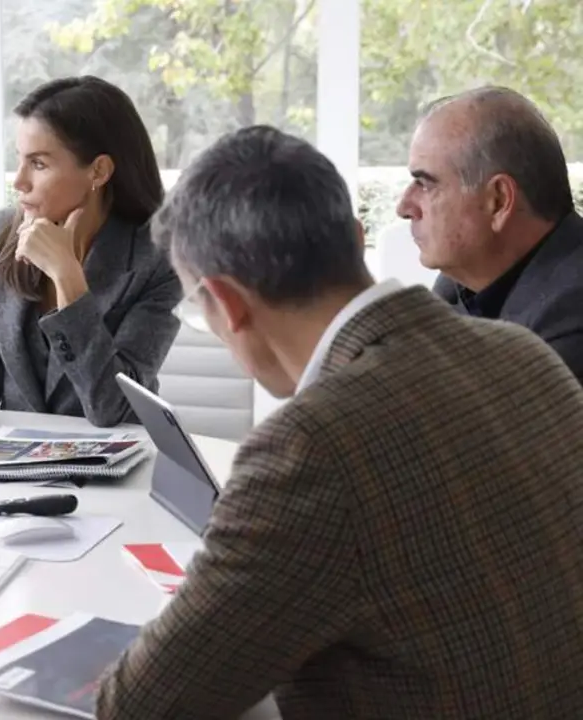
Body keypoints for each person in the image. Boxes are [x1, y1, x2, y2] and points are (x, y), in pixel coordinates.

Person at [96, 127, 583, 718]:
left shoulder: (309, 447)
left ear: (226, 303)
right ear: (354, 238)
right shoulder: (522, 351)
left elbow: (143, 707)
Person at [0, 76, 181, 427]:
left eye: (38, 164)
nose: (19, 181)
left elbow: (111, 408)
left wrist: (67, 277)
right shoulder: (0, 235)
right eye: (20, 160)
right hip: (15, 467)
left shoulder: (159, 259)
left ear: (98, 171)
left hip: (114, 469)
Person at [397, 86, 583, 381]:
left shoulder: (569, 319)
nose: (404, 207)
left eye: (426, 184)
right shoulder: (459, 282)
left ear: (497, 201)